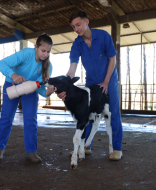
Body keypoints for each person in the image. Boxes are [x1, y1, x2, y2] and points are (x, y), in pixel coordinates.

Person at [57, 10, 123, 160]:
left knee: (112, 112)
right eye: (73, 27)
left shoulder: (103, 36)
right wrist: (65, 85)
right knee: (86, 113)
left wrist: (106, 81)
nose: (76, 29)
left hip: (109, 78)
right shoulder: (77, 43)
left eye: (78, 25)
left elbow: (112, 59)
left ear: (87, 22)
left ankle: (117, 149)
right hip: (92, 80)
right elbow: (72, 68)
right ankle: (85, 146)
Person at [0, 34, 56, 163]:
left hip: (30, 89)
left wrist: (48, 93)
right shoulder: (26, 54)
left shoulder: (48, 67)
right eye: (43, 50)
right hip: (12, 85)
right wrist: (13, 75)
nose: (45, 54)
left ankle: (31, 151)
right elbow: (1, 63)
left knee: (30, 119)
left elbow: (41, 89)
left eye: (48, 51)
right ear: (36, 47)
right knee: (6, 117)